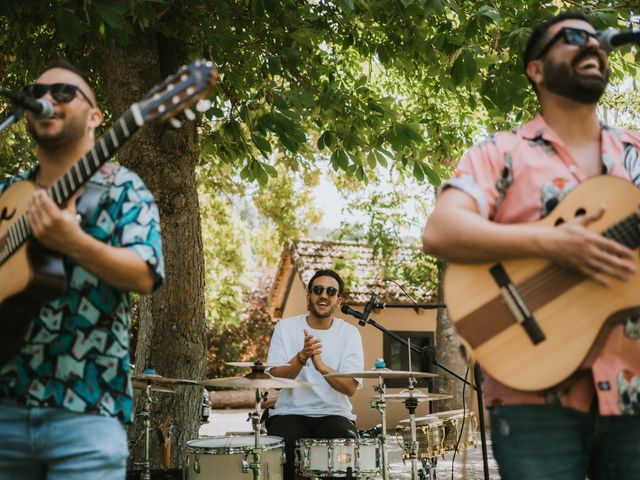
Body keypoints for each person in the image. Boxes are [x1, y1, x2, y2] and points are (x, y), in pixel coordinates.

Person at [422, 11, 640, 480]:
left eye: (596, 40)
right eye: (573, 37)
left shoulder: (636, 152)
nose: (593, 46)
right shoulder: (500, 152)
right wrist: (552, 243)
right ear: (536, 69)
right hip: (530, 392)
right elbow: (440, 231)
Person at [0, 61, 164, 479]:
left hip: (87, 414)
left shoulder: (123, 189)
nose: (47, 99)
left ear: (95, 117)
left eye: (64, 93)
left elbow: (144, 274)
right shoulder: (9, 194)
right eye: (40, 91)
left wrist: (72, 242)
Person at [266, 269, 364, 480]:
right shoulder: (286, 327)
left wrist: (322, 368)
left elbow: (351, 388)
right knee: (284, 450)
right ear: (309, 296)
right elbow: (275, 380)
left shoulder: (350, 334)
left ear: (339, 301)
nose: (324, 295)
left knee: (346, 450)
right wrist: (301, 357)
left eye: (331, 291)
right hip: (290, 413)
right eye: (318, 290)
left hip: (334, 414)